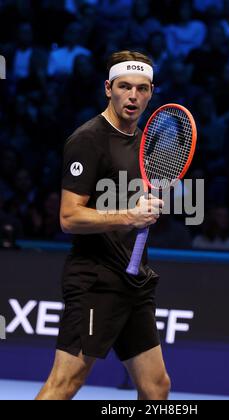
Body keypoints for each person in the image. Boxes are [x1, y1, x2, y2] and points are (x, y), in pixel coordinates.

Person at [36, 51, 170, 400]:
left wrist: (146, 207)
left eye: (141, 89)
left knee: (156, 388)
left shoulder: (145, 142)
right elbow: (69, 217)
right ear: (107, 88)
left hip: (134, 280)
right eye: (124, 87)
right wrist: (129, 215)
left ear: (151, 92)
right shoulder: (88, 139)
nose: (133, 96)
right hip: (95, 280)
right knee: (65, 385)